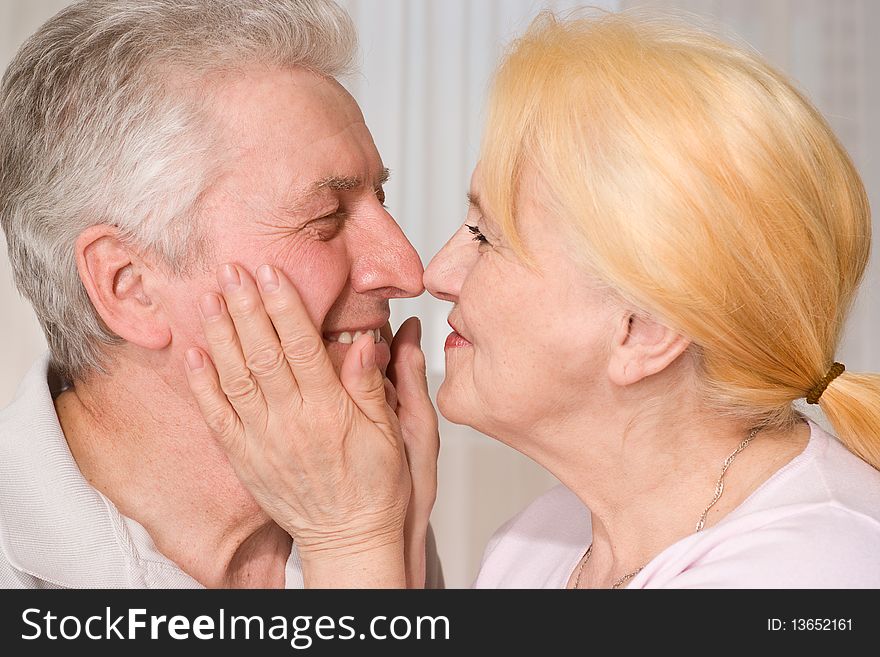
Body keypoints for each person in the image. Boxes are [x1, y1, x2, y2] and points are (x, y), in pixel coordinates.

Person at [184, 9, 880, 588]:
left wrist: (348, 536)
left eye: (487, 236)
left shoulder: (813, 570)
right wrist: (395, 544)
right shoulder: (540, 544)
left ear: (642, 328)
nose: (436, 271)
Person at [0, 0, 443, 589]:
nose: (407, 270)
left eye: (378, 201)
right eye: (326, 218)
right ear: (130, 287)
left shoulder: (369, 495)